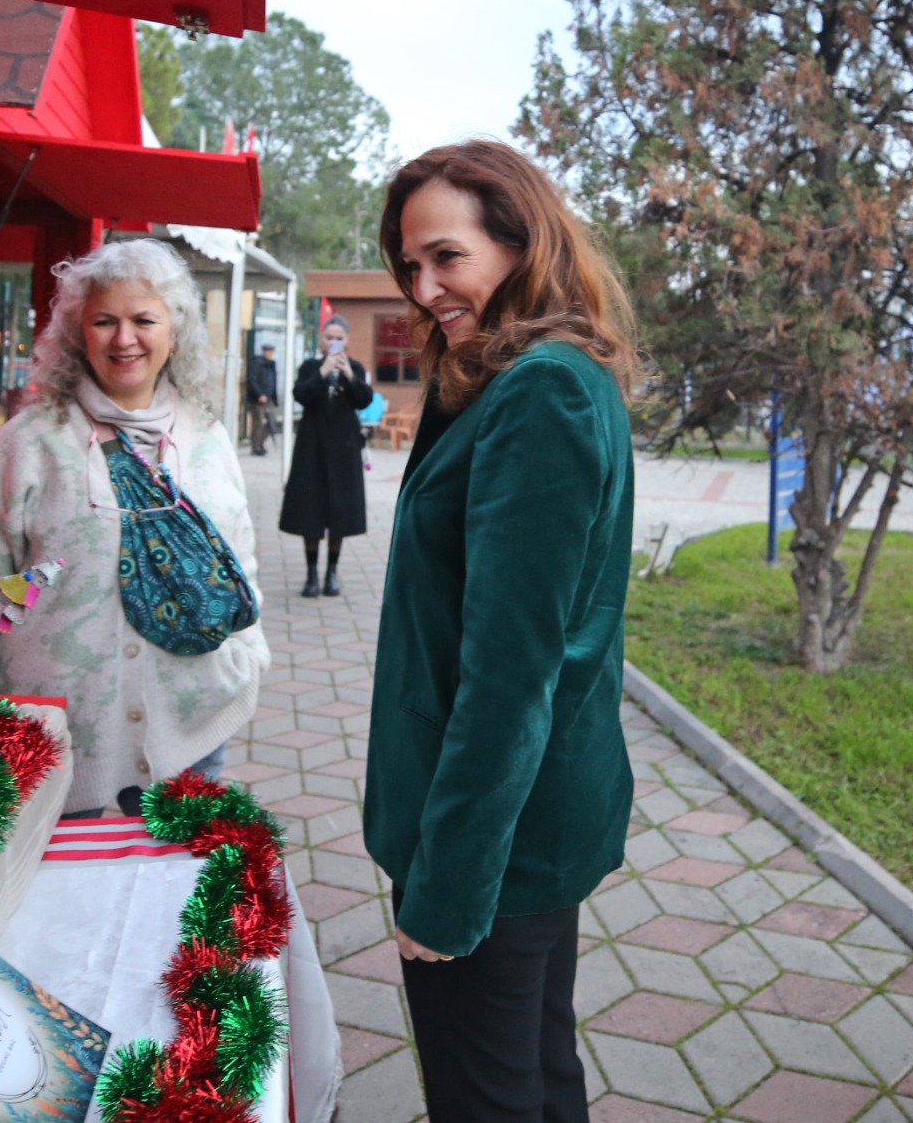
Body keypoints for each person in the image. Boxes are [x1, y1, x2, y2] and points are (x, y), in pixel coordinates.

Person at [363, 140, 638, 1122]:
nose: (423, 287)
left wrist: (448, 892)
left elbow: (510, 676)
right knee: (536, 1070)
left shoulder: (540, 391)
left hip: (492, 842)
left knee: (488, 1095)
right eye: (411, 264)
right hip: (528, 822)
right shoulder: (514, 376)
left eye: (447, 256)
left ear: (522, 245)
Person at [0, 239, 269, 816]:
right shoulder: (28, 444)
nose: (124, 339)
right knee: (58, 872)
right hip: (53, 736)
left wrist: (247, 655)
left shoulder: (206, 437)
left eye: (143, 320)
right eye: (104, 321)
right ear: (79, 332)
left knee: (177, 872)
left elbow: (240, 557)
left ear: (174, 330)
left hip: (190, 722)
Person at [278, 315, 372, 596]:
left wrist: (348, 374)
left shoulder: (355, 367)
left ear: (347, 340)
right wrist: (323, 371)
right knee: (311, 510)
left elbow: (364, 399)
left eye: (339, 338)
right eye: (329, 337)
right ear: (321, 340)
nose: (333, 342)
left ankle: (332, 572)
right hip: (312, 448)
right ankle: (311, 575)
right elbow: (301, 395)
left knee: (340, 512)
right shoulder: (310, 366)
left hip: (344, 449)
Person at [245, 343, 278, 455]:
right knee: (258, 422)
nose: (270, 354)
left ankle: (260, 443)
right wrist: (259, 394)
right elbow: (252, 380)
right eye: (268, 352)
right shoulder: (257, 362)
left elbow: (273, 380)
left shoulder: (271, 364)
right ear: (264, 352)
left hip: (269, 398)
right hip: (258, 399)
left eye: (272, 352)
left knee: (272, 421)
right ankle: (255, 447)